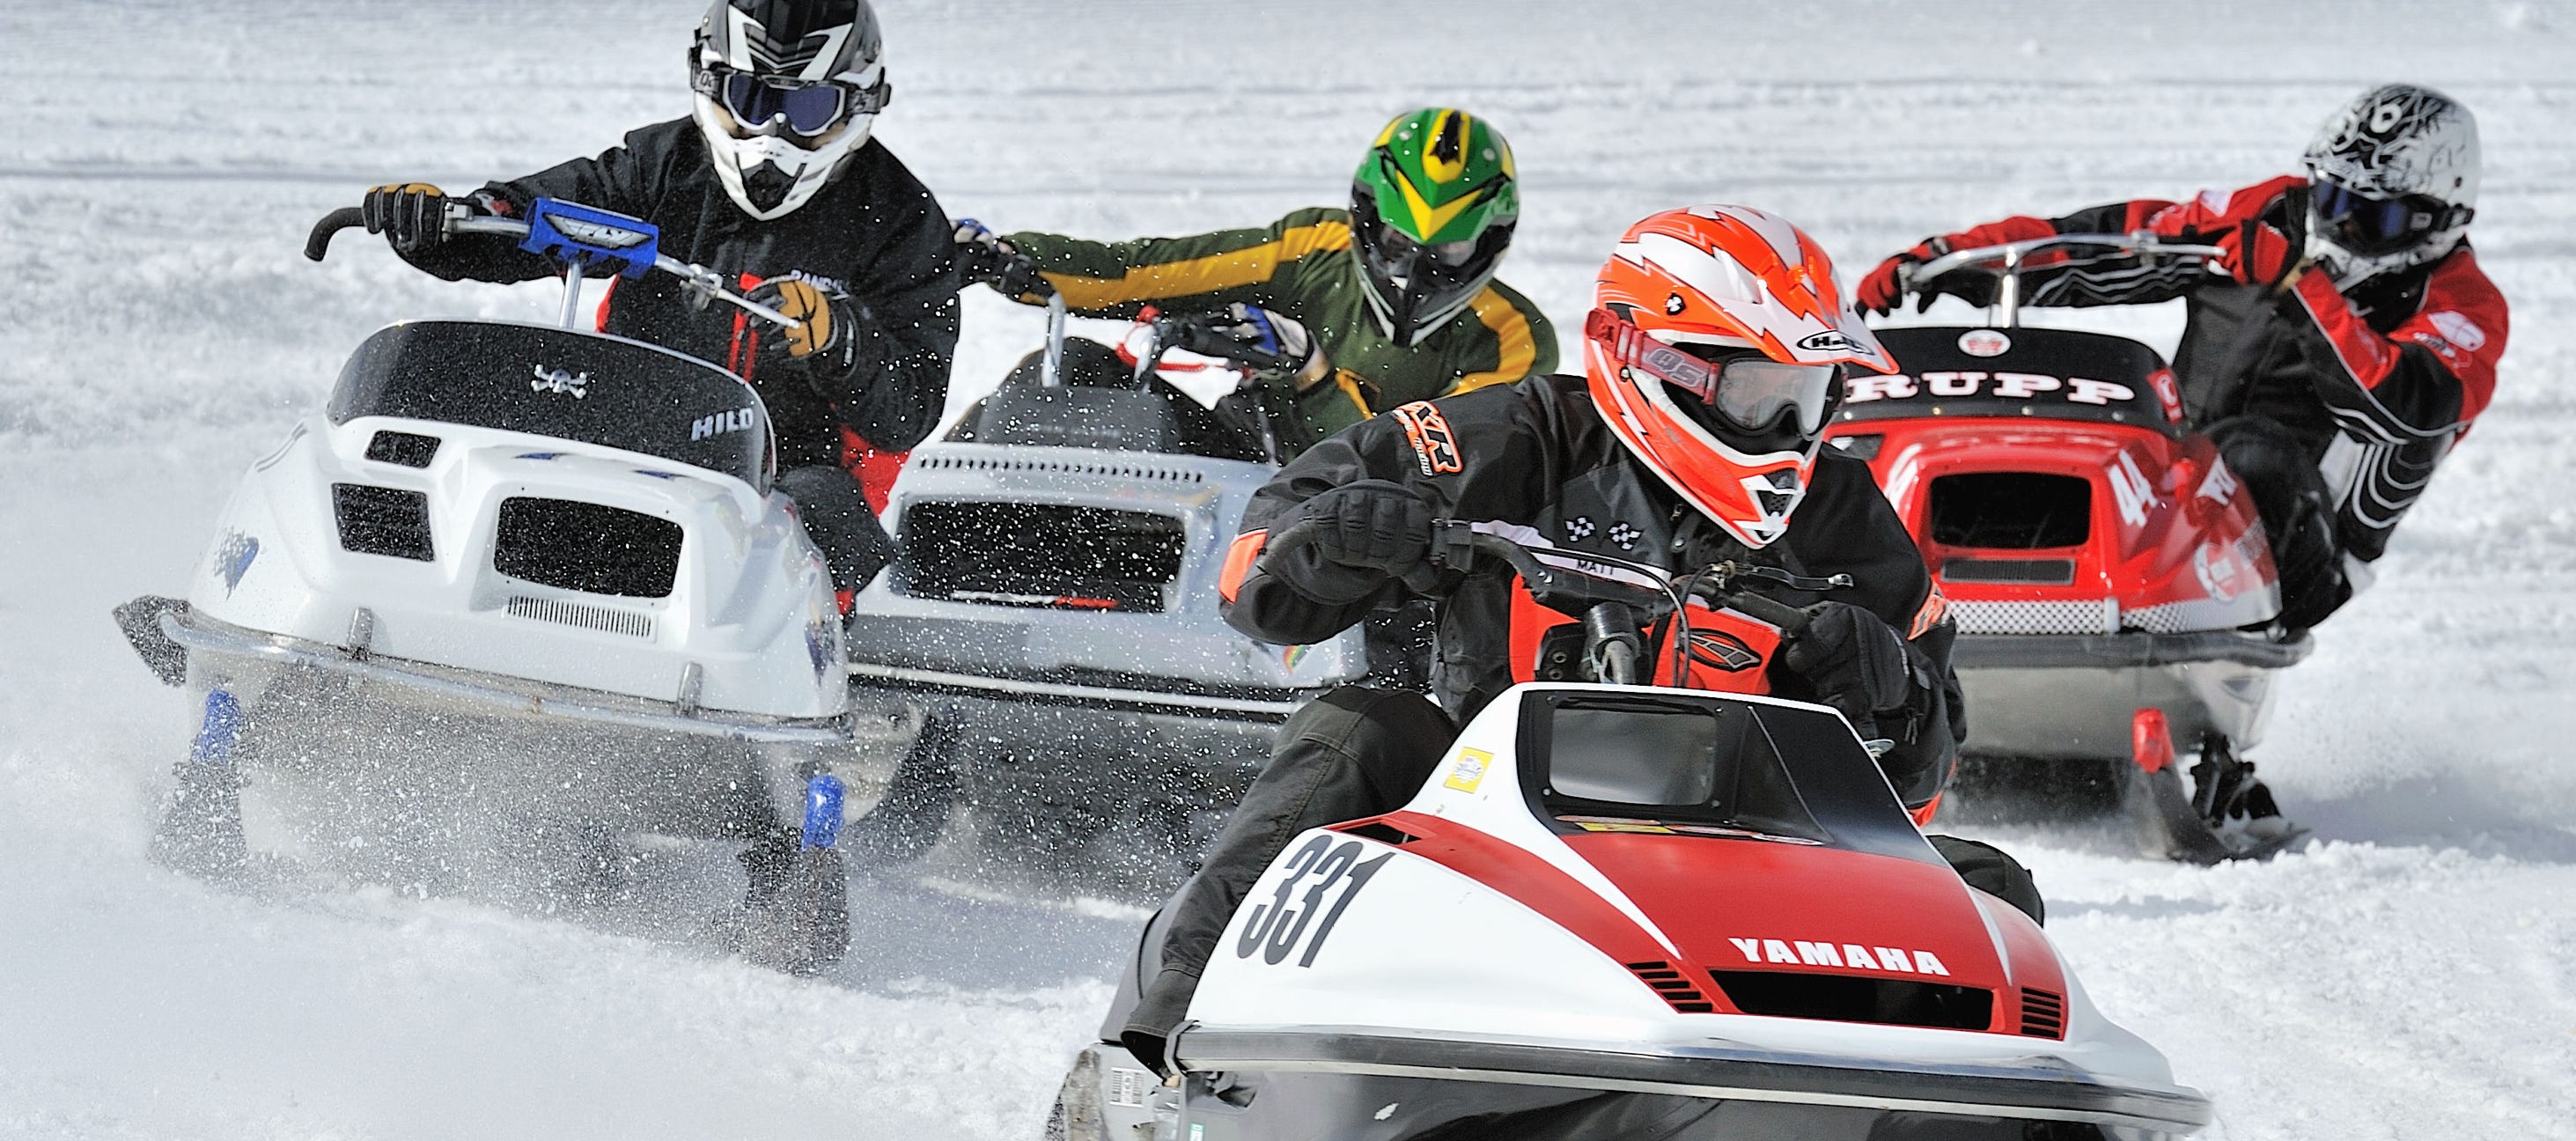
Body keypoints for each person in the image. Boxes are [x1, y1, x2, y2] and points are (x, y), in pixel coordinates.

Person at [1110, 205, 2004, 1063]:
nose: (1788, 432)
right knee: (1360, 729)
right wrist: (1342, 537)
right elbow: (1253, 580)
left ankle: (1980, 1110)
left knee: (1989, 889)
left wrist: (1897, 688)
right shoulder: (1513, 436)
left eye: (1806, 398)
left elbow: (1920, 794)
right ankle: (1178, 1025)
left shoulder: (1843, 514)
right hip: (1493, 831)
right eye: (1758, 393)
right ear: (1654, 363)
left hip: (1758, 854)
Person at [353, 0, 1003, 605]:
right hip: (622, 437)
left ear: (857, 104)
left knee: (815, 527)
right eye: (751, 99)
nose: (772, 133)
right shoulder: (663, 165)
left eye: (807, 109)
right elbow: (537, 216)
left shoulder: (899, 218)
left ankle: (764, 674)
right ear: (710, 83)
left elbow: (911, 409)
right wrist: (447, 225)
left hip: (782, 480)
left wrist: (842, 341)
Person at [1857, 84, 2506, 630]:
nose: (2338, 226)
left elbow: (2399, 409)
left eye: (2372, 217)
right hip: (2179, 491)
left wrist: (2295, 285)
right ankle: (1966, 605)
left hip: (2304, 547)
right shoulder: (2274, 213)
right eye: (2331, 199)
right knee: (2059, 449)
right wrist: (1958, 260)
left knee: (2251, 453)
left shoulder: (2463, 309)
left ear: (2437, 219)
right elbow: (2128, 239)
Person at [961, 107, 1559, 455]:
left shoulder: (1515, 340)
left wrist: (1311, 372)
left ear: (1491, 239)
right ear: (1367, 217)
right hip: (1238, 467)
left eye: (1447, 250)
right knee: (1073, 367)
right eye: (1398, 243)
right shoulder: (1312, 246)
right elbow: (1147, 273)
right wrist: (1012, 260)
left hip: (1367, 555)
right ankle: (930, 538)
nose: (1411, 272)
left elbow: (1430, 476)